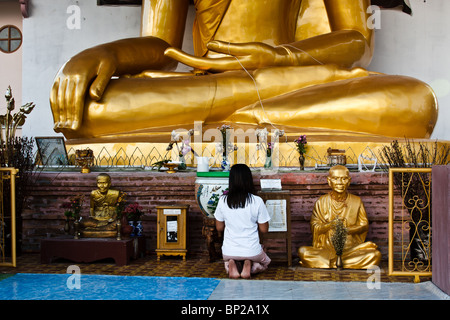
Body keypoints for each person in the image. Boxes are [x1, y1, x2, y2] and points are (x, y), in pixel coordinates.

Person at [50, 0, 437, 142]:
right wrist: (106, 53)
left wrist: (279, 56)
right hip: (211, 84)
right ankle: (257, 120)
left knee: (416, 99)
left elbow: (357, 41)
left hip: (287, 75)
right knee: (90, 108)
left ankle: (242, 119)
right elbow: (160, 48)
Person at [298, 165, 381, 269]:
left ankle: (334, 262)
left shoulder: (356, 201)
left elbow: (364, 226)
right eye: (336, 179)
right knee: (303, 251)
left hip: (350, 247)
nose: (340, 183)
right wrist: (330, 225)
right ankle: (340, 261)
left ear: (349, 181)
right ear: (329, 181)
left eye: (344, 179)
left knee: (375, 255)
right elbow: (315, 226)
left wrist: (347, 230)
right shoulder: (321, 202)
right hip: (326, 249)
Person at [214, 164, 271, 279]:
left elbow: (219, 228)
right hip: (252, 250)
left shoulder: (222, 200)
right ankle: (249, 264)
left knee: (229, 258)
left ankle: (230, 263)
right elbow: (264, 230)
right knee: (266, 262)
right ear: (249, 180)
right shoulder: (257, 201)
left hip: (229, 250)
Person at [80, 173, 120, 237]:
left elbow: (119, 209)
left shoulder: (115, 193)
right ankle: (103, 228)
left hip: (110, 219)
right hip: (97, 219)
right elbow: (92, 208)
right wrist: (92, 218)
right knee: (82, 223)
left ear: (109, 183)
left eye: (104, 183)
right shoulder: (93, 193)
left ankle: (96, 229)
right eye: (99, 183)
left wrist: (112, 218)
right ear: (96, 183)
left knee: (117, 224)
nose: (102, 186)